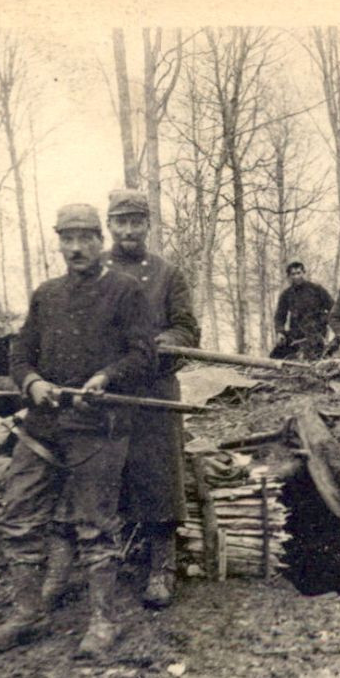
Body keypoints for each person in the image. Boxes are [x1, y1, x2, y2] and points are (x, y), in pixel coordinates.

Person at [0, 204, 155, 659]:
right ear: (59, 243)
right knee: (17, 515)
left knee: (95, 525)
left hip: (98, 425)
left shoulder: (126, 291)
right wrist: (32, 384)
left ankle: (103, 620)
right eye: (66, 239)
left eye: (84, 239)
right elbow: (19, 358)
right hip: (44, 427)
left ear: (99, 241)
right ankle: (26, 613)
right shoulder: (46, 295)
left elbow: (144, 356)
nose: (75, 248)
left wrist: (107, 378)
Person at [101, 188, 201, 609]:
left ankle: (162, 566)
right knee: (108, 474)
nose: (128, 230)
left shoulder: (166, 273)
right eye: (120, 222)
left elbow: (187, 330)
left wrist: (162, 343)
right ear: (109, 226)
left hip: (156, 390)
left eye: (135, 221)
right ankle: (119, 556)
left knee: (159, 475)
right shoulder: (96, 272)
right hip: (107, 391)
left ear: (148, 225)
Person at [272, 260, 333, 360]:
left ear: (304, 273)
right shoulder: (286, 294)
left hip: (316, 333)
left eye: (299, 273)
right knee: (276, 357)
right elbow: (279, 316)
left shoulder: (316, 289)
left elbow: (333, 309)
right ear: (289, 276)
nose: (296, 277)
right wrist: (280, 332)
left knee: (312, 359)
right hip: (296, 333)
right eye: (293, 274)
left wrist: (323, 321)